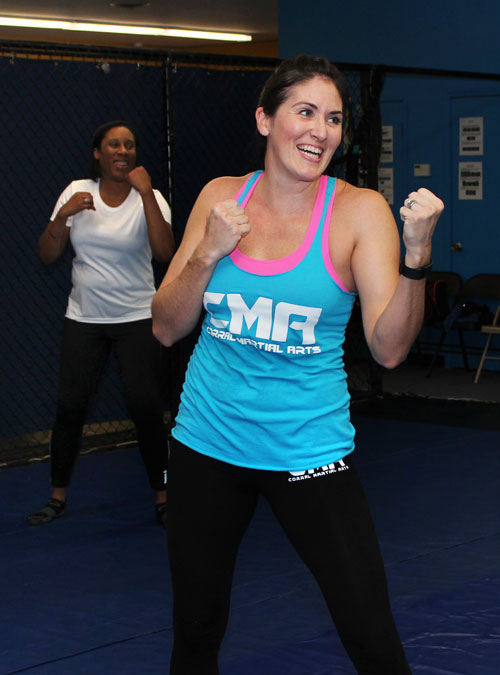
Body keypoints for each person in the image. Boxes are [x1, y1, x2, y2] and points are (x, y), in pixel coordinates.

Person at [152, 55, 444, 673]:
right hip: (206, 445)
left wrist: (416, 258)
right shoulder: (219, 197)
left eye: (334, 118)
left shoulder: (358, 212)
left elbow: (389, 348)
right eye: (304, 112)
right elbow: (166, 325)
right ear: (265, 119)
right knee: (196, 632)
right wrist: (206, 253)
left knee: (370, 632)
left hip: (307, 450)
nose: (320, 131)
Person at [28, 120, 174, 528]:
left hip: (137, 318)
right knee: (70, 407)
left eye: (129, 145)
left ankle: (163, 496)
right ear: (98, 153)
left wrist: (145, 193)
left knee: (146, 408)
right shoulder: (77, 192)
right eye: (113, 144)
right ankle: (57, 496)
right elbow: (47, 255)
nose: (122, 151)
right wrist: (64, 216)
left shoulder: (152, 197)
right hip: (85, 319)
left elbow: (165, 253)